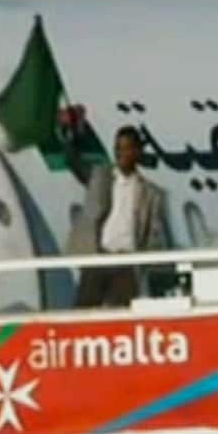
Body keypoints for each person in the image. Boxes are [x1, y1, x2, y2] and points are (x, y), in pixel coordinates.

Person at [66, 125, 171, 307]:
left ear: (137, 152)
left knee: (120, 315)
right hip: (99, 258)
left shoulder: (151, 193)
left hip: (127, 263)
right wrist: (71, 135)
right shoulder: (101, 177)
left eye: (126, 148)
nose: (121, 153)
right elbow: (75, 164)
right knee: (84, 312)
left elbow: (154, 235)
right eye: (118, 148)